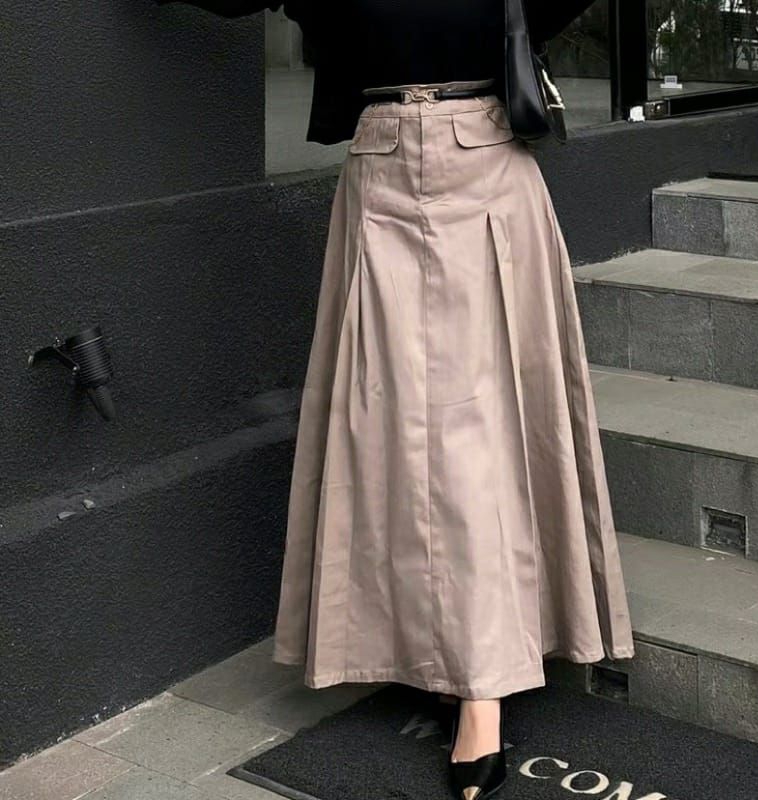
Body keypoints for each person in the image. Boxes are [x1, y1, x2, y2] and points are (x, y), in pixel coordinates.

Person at [157, 2, 635, 798]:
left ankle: (481, 685)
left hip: (486, 163)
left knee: (479, 439)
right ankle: (436, 647)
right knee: (390, 434)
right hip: (381, 171)